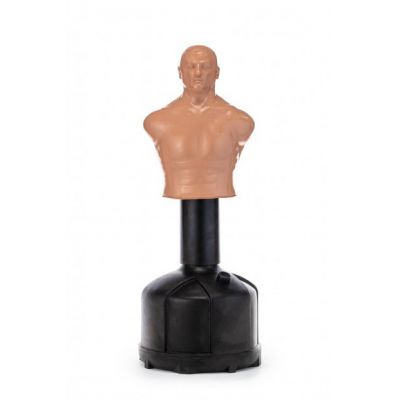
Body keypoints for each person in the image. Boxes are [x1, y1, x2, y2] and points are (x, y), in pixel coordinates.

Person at [143, 45, 254, 199]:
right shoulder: (157, 121)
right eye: (191, 66)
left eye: (205, 67)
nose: (197, 73)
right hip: (178, 192)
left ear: (217, 72)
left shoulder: (239, 121)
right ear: (180, 72)